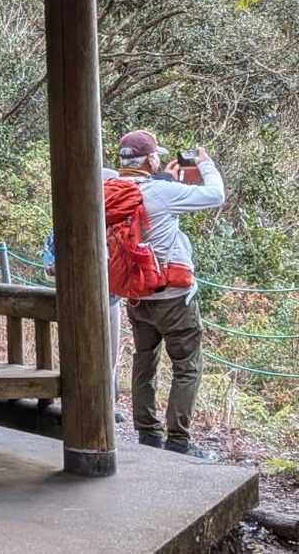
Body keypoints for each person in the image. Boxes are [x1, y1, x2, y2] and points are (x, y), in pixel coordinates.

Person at [114, 130, 225, 461]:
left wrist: (165, 179)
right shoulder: (162, 192)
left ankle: (147, 434)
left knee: (144, 361)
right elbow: (216, 195)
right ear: (150, 159)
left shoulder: (110, 189)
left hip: (136, 295)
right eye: (156, 156)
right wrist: (205, 164)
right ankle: (178, 440)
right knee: (186, 367)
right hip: (173, 296)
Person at [43, 167, 126, 423]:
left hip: (96, 297)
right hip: (92, 299)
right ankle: (91, 408)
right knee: (94, 354)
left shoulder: (70, 221)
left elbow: (49, 267)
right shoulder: (79, 222)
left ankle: (100, 406)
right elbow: (50, 267)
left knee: (101, 355)